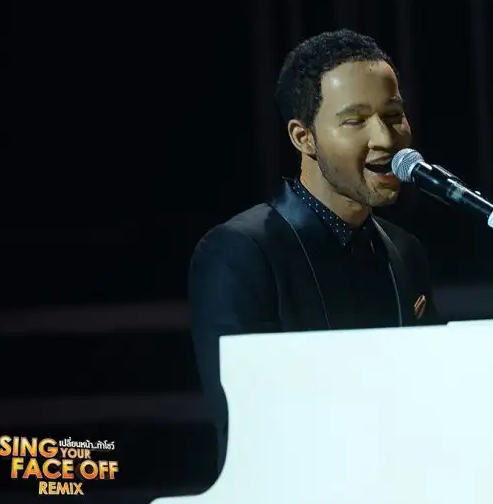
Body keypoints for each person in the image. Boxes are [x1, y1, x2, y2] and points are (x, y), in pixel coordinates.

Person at [188, 29, 443, 472]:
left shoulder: (405, 250)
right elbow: (251, 426)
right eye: (355, 121)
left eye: (394, 114)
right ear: (304, 137)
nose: (386, 138)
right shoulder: (240, 252)